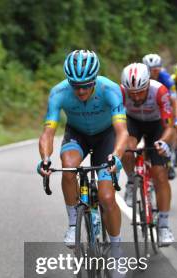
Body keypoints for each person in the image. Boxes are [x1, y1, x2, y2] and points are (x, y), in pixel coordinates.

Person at [37, 49, 129, 256]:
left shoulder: (111, 90)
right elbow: (47, 133)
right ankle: (73, 223)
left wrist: (117, 155)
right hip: (77, 134)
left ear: (95, 79)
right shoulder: (58, 93)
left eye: (87, 85)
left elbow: (122, 131)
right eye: (76, 86)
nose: (81, 91)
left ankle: (117, 249)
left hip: (106, 137)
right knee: (68, 166)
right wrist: (45, 158)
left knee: (106, 197)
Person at [120, 63, 175, 245]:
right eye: (131, 92)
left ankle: (164, 226)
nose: (135, 96)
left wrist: (163, 142)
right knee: (127, 149)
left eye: (140, 91)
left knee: (160, 175)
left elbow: (170, 126)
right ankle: (130, 181)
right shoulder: (120, 92)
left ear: (147, 85)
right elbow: (117, 125)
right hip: (133, 122)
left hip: (156, 125)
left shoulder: (160, 91)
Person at [143, 53, 177, 180]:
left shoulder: (166, 78)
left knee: (171, 125)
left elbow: (174, 102)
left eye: (157, 69)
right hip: (146, 109)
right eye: (152, 70)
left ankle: (170, 156)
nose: (155, 72)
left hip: (163, 107)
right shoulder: (141, 78)